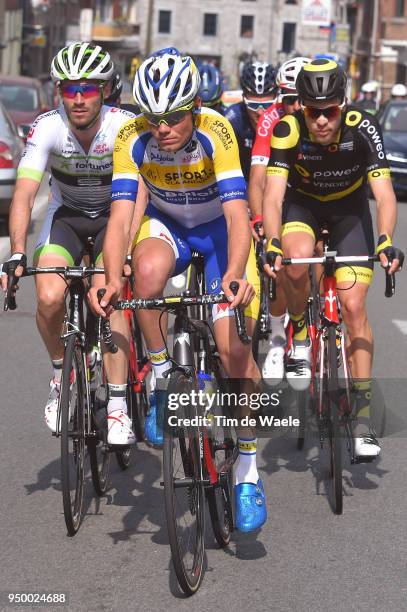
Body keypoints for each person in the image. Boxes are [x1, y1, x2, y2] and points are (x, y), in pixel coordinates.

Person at [89, 48, 267, 532]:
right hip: (169, 224)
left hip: (217, 235)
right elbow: (122, 216)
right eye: (153, 118)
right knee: (144, 274)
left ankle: (249, 470)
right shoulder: (133, 137)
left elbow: (236, 215)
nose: (162, 129)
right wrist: (109, 278)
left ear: (193, 108)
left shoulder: (217, 131)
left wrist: (234, 275)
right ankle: (164, 375)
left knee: (233, 351)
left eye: (172, 118)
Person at [263, 58, 403, 458]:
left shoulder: (363, 127)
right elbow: (273, 196)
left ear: (343, 103)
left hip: (348, 212)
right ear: (300, 107)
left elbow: (385, 194)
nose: (321, 120)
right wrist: (273, 242)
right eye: (312, 110)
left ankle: (361, 421)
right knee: (295, 258)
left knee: (354, 305)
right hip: (302, 209)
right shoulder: (287, 131)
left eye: (330, 110)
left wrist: (384, 240)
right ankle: (302, 338)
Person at [0, 42, 136, 446]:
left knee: (105, 297)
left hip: (114, 218)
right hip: (67, 220)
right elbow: (25, 193)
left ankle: (116, 405)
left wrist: (124, 252)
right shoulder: (47, 127)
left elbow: (138, 194)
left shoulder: (124, 127)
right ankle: (61, 376)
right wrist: (18, 254)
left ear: (106, 90)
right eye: (70, 89)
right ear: (59, 91)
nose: (78, 99)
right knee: (48, 295)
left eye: (88, 89)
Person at [249, 57, 311, 384]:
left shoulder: (323, 116)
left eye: (303, 98)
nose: (298, 106)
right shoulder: (271, 120)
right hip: (281, 197)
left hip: (315, 199)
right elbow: (258, 179)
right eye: (289, 99)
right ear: (279, 99)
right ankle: (276, 337)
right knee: (283, 264)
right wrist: (260, 220)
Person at [224, 61, 277, 182]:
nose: (260, 112)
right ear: (243, 98)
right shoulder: (233, 118)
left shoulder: (284, 115)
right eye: (253, 105)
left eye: (267, 105)